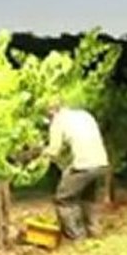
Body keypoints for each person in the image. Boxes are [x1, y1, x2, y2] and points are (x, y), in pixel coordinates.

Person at [42, 101, 110, 241]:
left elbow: (54, 150)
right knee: (88, 198)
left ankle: (77, 237)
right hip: (101, 163)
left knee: (63, 198)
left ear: (51, 112)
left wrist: (42, 152)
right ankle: (94, 232)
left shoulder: (58, 121)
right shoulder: (84, 115)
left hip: (84, 165)